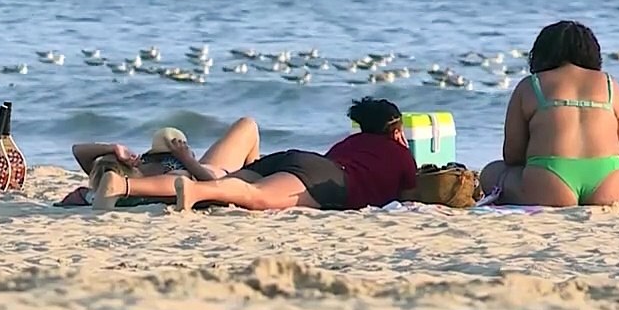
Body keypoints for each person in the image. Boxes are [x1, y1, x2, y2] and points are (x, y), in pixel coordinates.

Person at [479, 21, 619, 207]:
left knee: (491, 172)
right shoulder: (610, 84)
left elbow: (513, 155)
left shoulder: (531, 85)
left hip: (549, 181)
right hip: (607, 182)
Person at [174, 98, 418, 212]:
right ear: (397, 132)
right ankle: (196, 191)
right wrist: (404, 151)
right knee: (256, 197)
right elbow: (411, 194)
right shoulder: (401, 155)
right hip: (327, 180)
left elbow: (330, 160)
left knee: (229, 185)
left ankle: (198, 179)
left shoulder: (352, 142)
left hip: (302, 159)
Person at [73, 118, 261, 209]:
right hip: (222, 174)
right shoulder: (165, 175)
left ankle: (256, 174)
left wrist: (114, 148)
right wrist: (187, 159)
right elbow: (211, 182)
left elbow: (78, 151)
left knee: (248, 127)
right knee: (248, 125)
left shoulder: (139, 170)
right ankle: (256, 175)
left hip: (208, 171)